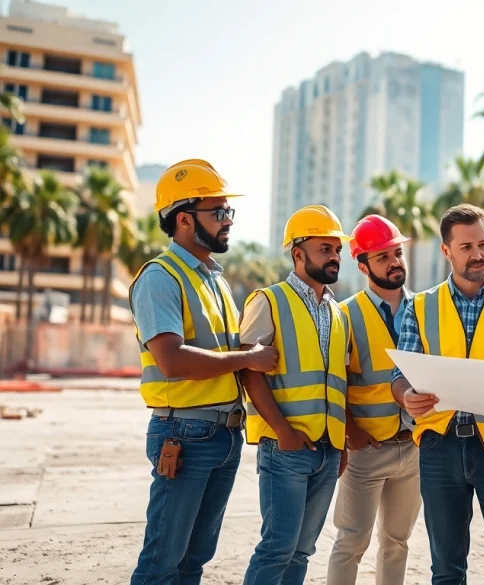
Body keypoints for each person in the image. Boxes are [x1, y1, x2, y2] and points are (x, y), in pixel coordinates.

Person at [129, 159, 278, 585]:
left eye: (229, 212)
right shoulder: (161, 278)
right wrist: (247, 360)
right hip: (184, 435)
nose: (228, 220)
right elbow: (171, 359)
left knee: (193, 561)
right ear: (183, 219)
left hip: (223, 435)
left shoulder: (215, 280)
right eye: (218, 212)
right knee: (161, 563)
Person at [390, 203, 484, 585]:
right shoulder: (418, 307)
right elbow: (400, 375)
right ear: (446, 251)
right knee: (446, 568)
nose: (477, 255)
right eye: (466, 247)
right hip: (439, 449)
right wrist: (406, 396)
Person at [239, 204, 351, 585]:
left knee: (302, 551)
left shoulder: (338, 314)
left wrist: (342, 442)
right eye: (325, 249)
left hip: (328, 449)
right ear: (298, 254)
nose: (335, 257)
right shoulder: (268, 301)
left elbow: (337, 384)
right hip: (286, 448)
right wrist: (283, 432)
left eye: (337, 250)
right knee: (277, 549)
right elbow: (248, 372)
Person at [327, 214, 421, 585]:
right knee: (351, 541)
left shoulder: (425, 310)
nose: (395, 262)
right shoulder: (345, 315)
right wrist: (351, 434)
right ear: (362, 264)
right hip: (366, 449)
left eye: (397, 253)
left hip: (413, 448)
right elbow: (334, 383)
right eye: (382, 257)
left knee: (397, 542)